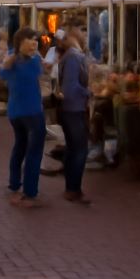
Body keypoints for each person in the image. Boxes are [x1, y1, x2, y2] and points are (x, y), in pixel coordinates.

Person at [0, 27, 46, 208]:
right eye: (30, 39)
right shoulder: (15, 59)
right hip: (31, 112)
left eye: (36, 39)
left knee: (20, 146)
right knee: (33, 151)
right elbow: (2, 73)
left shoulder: (30, 58)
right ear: (20, 41)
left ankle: (14, 183)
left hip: (17, 111)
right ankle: (29, 192)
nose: (35, 43)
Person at [56, 31, 91, 203]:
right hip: (73, 108)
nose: (85, 34)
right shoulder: (73, 57)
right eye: (81, 30)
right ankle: (73, 188)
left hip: (70, 108)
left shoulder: (72, 56)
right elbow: (71, 87)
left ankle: (71, 186)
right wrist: (89, 92)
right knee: (79, 149)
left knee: (73, 147)